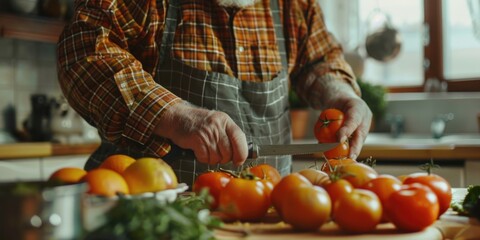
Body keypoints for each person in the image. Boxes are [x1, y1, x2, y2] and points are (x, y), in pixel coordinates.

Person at [57, 0, 372, 186]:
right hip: (152, 217)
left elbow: (319, 59)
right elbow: (82, 52)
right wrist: (175, 116)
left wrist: (342, 95)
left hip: (266, 219)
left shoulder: (293, 4)